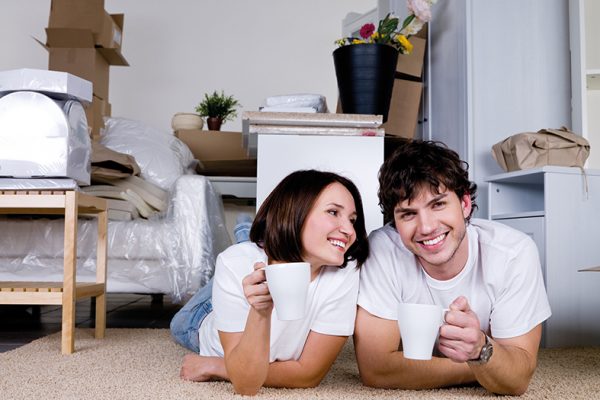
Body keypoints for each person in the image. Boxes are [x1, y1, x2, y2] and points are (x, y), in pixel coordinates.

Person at [354, 140, 551, 395]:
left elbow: (517, 379)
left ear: (465, 204)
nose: (426, 227)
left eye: (438, 204)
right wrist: (482, 363)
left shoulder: (513, 253)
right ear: (395, 221)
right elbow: (376, 369)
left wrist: (480, 347)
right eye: (408, 214)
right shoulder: (383, 249)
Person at [170, 169, 369, 396]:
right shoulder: (235, 263)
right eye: (333, 212)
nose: (349, 230)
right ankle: (250, 238)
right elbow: (246, 385)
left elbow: (308, 374)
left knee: (249, 252)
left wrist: (217, 366)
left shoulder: (345, 272)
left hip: (261, 256)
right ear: (295, 213)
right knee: (180, 322)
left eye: (352, 220)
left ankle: (251, 234)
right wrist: (260, 311)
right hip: (200, 319)